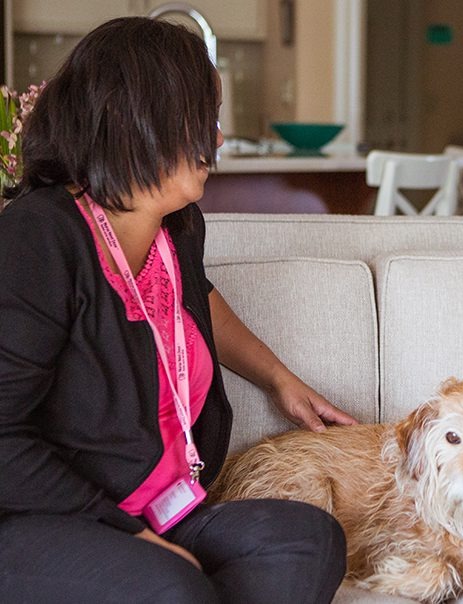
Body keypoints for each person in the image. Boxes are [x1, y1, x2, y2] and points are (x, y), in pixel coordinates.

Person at [0, 17, 357, 603]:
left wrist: (279, 380)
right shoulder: (38, 237)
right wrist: (129, 535)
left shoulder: (177, 227)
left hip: (165, 509)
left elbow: (195, 301)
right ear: (140, 118)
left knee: (307, 538)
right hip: (43, 519)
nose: (216, 139)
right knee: (172, 585)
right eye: (204, 118)